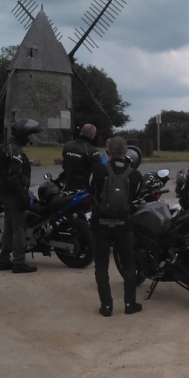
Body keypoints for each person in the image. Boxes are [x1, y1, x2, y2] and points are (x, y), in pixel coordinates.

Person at [90, 136, 143, 316]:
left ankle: (106, 306)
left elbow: (92, 192)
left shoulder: (97, 170)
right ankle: (130, 304)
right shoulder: (135, 174)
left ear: (108, 152)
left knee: (101, 265)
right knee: (129, 264)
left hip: (100, 224)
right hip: (123, 224)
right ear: (126, 151)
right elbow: (135, 197)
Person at [0, 117, 43, 273]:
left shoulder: (4, 147)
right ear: (22, 134)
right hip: (14, 194)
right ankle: (19, 261)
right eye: (28, 135)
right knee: (19, 227)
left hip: (5, 193)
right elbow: (14, 178)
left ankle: (4, 259)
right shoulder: (16, 152)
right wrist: (22, 197)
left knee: (9, 227)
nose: (29, 138)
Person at [61, 123, 98, 191]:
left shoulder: (68, 145)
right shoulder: (92, 150)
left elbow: (64, 163)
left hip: (66, 185)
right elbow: (99, 170)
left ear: (81, 132)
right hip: (82, 188)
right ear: (93, 135)